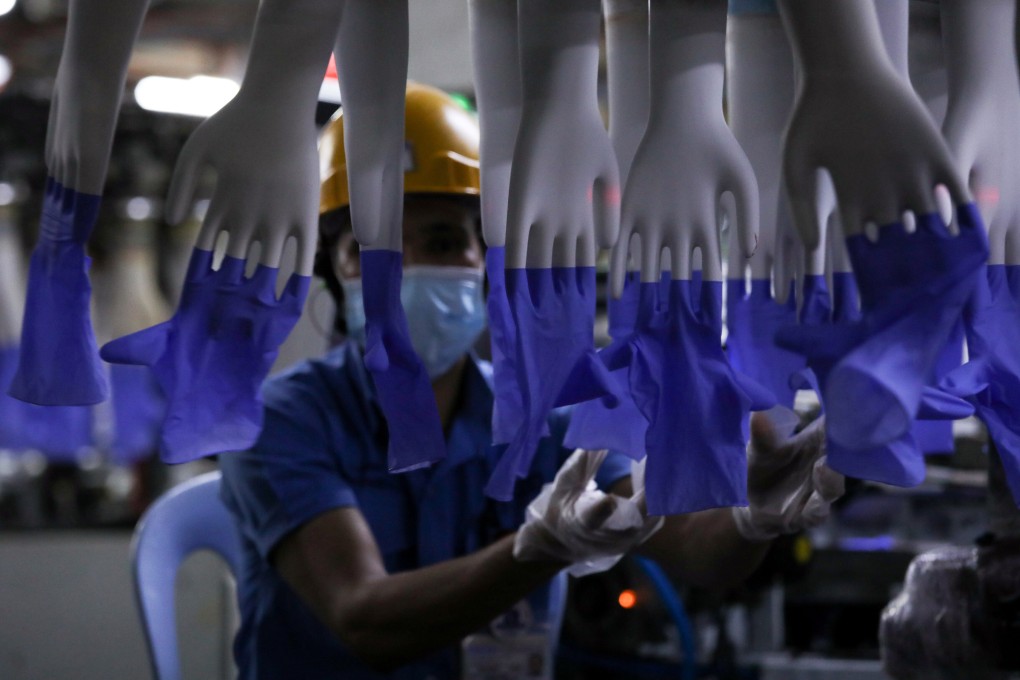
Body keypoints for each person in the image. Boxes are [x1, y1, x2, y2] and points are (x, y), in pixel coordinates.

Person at [219, 82, 842, 679]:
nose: (404, 272)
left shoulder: (544, 419)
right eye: (370, 245)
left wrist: (752, 515)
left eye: (441, 240)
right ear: (334, 270)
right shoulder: (278, 420)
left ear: (486, 268)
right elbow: (365, 620)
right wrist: (538, 546)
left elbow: (696, 549)